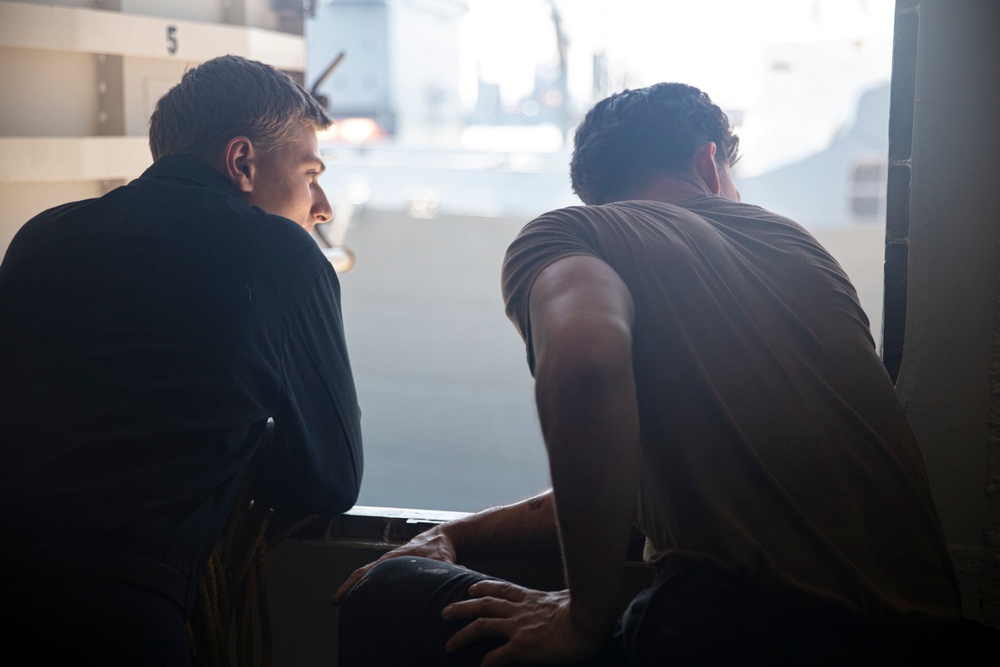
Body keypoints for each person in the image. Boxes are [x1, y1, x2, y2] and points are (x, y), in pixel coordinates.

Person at [332, 83, 961, 666]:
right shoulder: (802, 251)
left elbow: (583, 361)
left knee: (385, 591)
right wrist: (456, 534)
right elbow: (631, 482)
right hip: (925, 637)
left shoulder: (575, 232)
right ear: (712, 165)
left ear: (596, 192)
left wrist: (583, 616)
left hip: (742, 631)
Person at [0, 55, 363, 664]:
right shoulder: (284, 255)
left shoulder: (41, 235)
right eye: (309, 173)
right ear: (242, 161)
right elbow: (329, 477)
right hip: (122, 615)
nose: (321, 205)